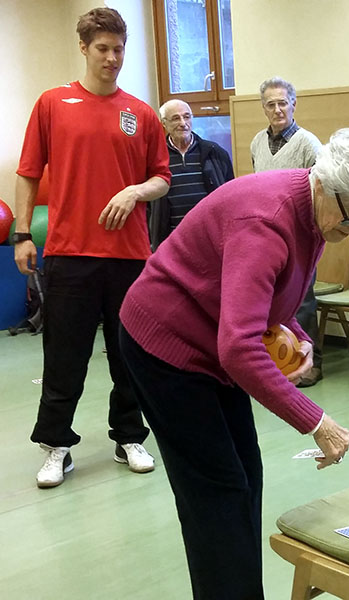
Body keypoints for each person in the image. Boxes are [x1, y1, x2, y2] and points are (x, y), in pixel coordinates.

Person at [118, 125, 349, 600]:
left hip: (209, 339)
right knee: (218, 491)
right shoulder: (267, 220)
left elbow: (267, 292)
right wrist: (317, 422)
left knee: (245, 474)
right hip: (164, 344)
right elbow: (238, 348)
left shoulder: (315, 210)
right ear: (329, 184)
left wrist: (292, 330)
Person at [12, 7, 170, 488]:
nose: (113, 58)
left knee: (130, 354)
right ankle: (57, 445)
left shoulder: (140, 113)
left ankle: (128, 437)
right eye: (103, 48)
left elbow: (161, 178)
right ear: (84, 48)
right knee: (65, 355)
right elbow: (28, 172)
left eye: (119, 49)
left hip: (129, 257)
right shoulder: (53, 104)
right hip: (69, 253)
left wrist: (135, 191)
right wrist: (22, 234)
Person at [251, 76, 325, 387]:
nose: (278, 109)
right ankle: (279, 364)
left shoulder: (308, 143)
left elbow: (321, 191)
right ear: (264, 108)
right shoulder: (257, 142)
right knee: (270, 301)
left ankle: (309, 365)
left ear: (293, 104)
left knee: (302, 300)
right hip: (266, 236)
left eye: (283, 102)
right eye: (271, 104)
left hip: (300, 234)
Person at [149, 99, 234, 250]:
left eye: (187, 116)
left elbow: (230, 196)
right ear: (163, 123)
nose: (183, 123)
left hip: (210, 239)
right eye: (176, 118)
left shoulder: (215, 153)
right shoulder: (155, 157)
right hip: (171, 242)